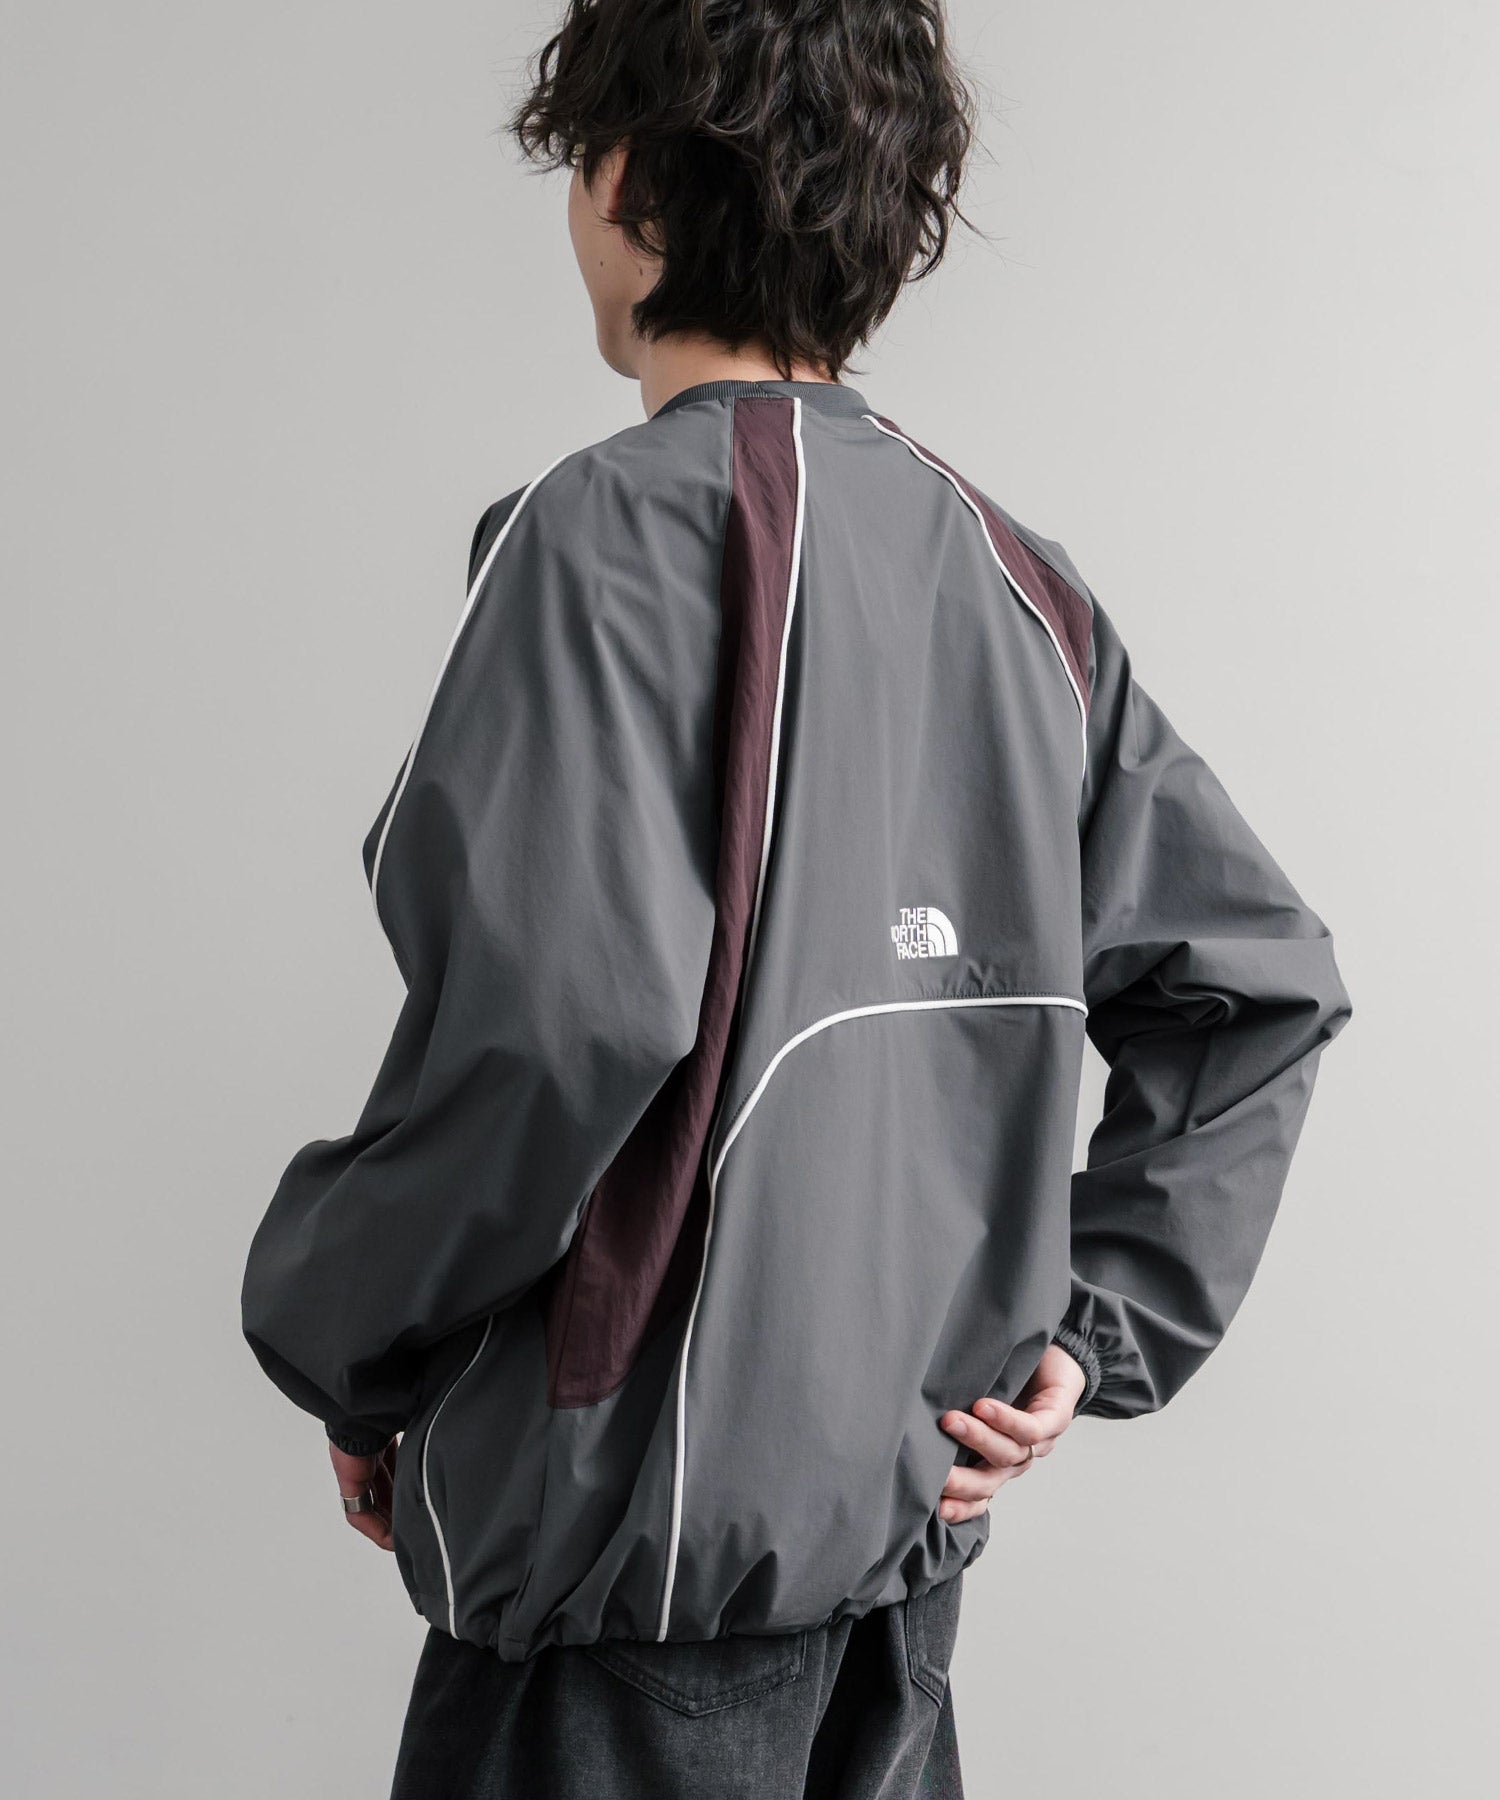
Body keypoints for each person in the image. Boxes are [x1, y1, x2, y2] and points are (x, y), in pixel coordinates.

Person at [242, 2, 1351, 1794]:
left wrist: (348, 1345)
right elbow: (1259, 985)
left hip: (626, 1606)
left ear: (626, 184)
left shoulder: (593, 536)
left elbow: (557, 1032)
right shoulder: (1017, 580)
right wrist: (1092, 1328)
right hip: (895, 1608)